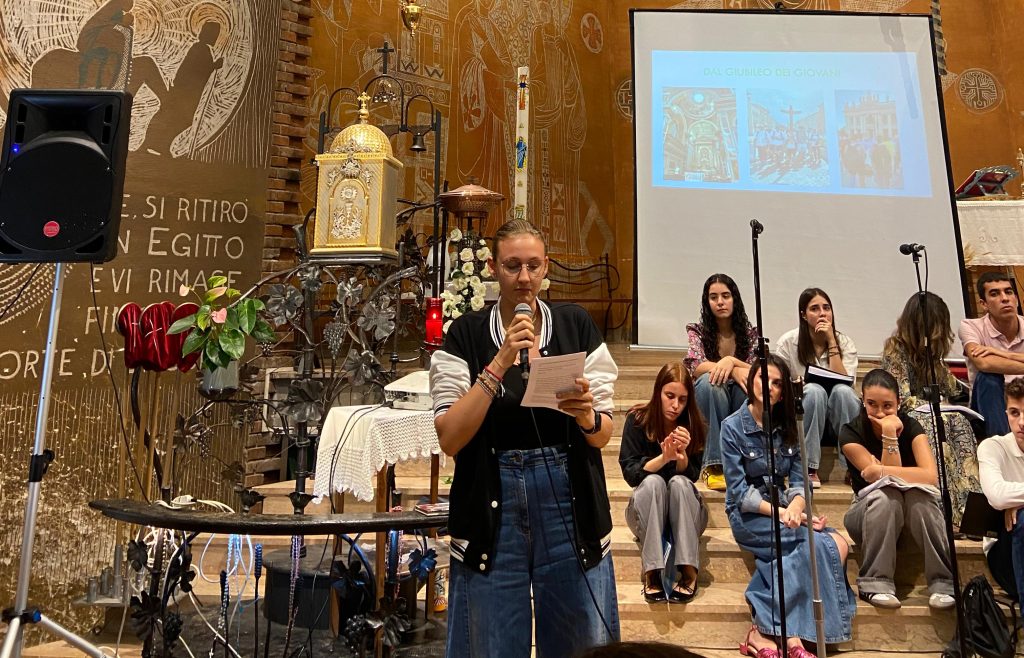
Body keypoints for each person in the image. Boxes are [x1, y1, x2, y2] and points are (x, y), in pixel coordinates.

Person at [429, 219, 619, 657]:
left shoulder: (575, 325)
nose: (524, 277)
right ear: (493, 268)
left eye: (533, 265)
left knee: (579, 644)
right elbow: (450, 439)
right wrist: (501, 360)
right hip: (492, 505)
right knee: (492, 644)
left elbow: (602, 436)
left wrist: (587, 415)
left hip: (568, 503)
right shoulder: (465, 334)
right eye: (512, 266)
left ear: (546, 266)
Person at [721, 354, 855, 658]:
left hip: (783, 509)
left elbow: (799, 480)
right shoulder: (732, 427)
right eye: (763, 378)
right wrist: (786, 515)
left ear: (783, 391)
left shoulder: (790, 426)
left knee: (835, 544)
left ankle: (769, 632)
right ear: (750, 381)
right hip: (748, 516)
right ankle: (794, 637)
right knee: (820, 545)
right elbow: (740, 493)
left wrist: (797, 508)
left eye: (777, 383)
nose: (769, 387)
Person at [839, 368, 955, 611]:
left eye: (888, 406)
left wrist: (879, 469)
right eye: (872, 404)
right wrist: (890, 436)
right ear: (862, 401)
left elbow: (930, 476)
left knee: (919, 496)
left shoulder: (912, 427)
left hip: (913, 518)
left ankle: (944, 582)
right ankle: (875, 582)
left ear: (899, 403)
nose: (880, 413)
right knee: (886, 496)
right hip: (868, 515)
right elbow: (888, 484)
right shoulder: (850, 432)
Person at [882, 292, 981, 525]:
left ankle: (971, 514)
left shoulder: (932, 356)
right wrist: (934, 406)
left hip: (932, 411)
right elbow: (902, 399)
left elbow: (951, 387)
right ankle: (941, 511)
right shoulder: (895, 351)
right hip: (906, 415)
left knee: (960, 422)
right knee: (937, 423)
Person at [618, 362, 708, 604]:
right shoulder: (637, 420)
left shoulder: (694, 424)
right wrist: (664, 458)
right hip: (646, 512)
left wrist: (682, 457)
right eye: (670, 396)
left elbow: (692, 476)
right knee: (653, 482)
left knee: (679, 483)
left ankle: (689, 571)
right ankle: (652, 572)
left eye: (682, 399)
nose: (675, 405)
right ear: (658, 392)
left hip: (685, 513)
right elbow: (630, 474)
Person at [775, 288, 860, 487]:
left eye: (826, 308)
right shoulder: (788, 342)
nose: (822, 313)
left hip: (837, 420)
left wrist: (831, 341)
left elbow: (846, 382)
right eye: (815, 309)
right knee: (814, 391)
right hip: (804, 417)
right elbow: (778, 386)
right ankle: (808, 467)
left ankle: (853, 466)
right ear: (803, 315)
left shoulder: (844, 342)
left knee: (843, 392)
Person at [686, 273, 759, 491]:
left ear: (735, 299)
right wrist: (731, 370)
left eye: (726, 296)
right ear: (706, 303)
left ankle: (746, 460)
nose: (720, 302)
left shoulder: (751, 334)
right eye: (713, 297)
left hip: (737, 395)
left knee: (746, 387)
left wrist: (732, 362)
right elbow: (695, 365)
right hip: (709, 396)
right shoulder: (697, 331)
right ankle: (714, 464)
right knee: (711, 384)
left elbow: (758, 370)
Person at [977, 376, 1024, 610]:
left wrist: (1017, 501)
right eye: (1014, 413)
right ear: (1006, 414)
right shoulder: (993, 447)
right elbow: (997, 496)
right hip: (1005, 554)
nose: (1021, 422)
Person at [959, 271, 1024, 438]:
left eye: (1008, 292)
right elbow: (984, 363)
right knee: (989, 377)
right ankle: (1001, 445)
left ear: (1016, 299)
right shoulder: (971, 326)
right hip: (989, 406)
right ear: (984, 304)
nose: (1005, 298)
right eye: (995, 294)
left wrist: (1001, 354)